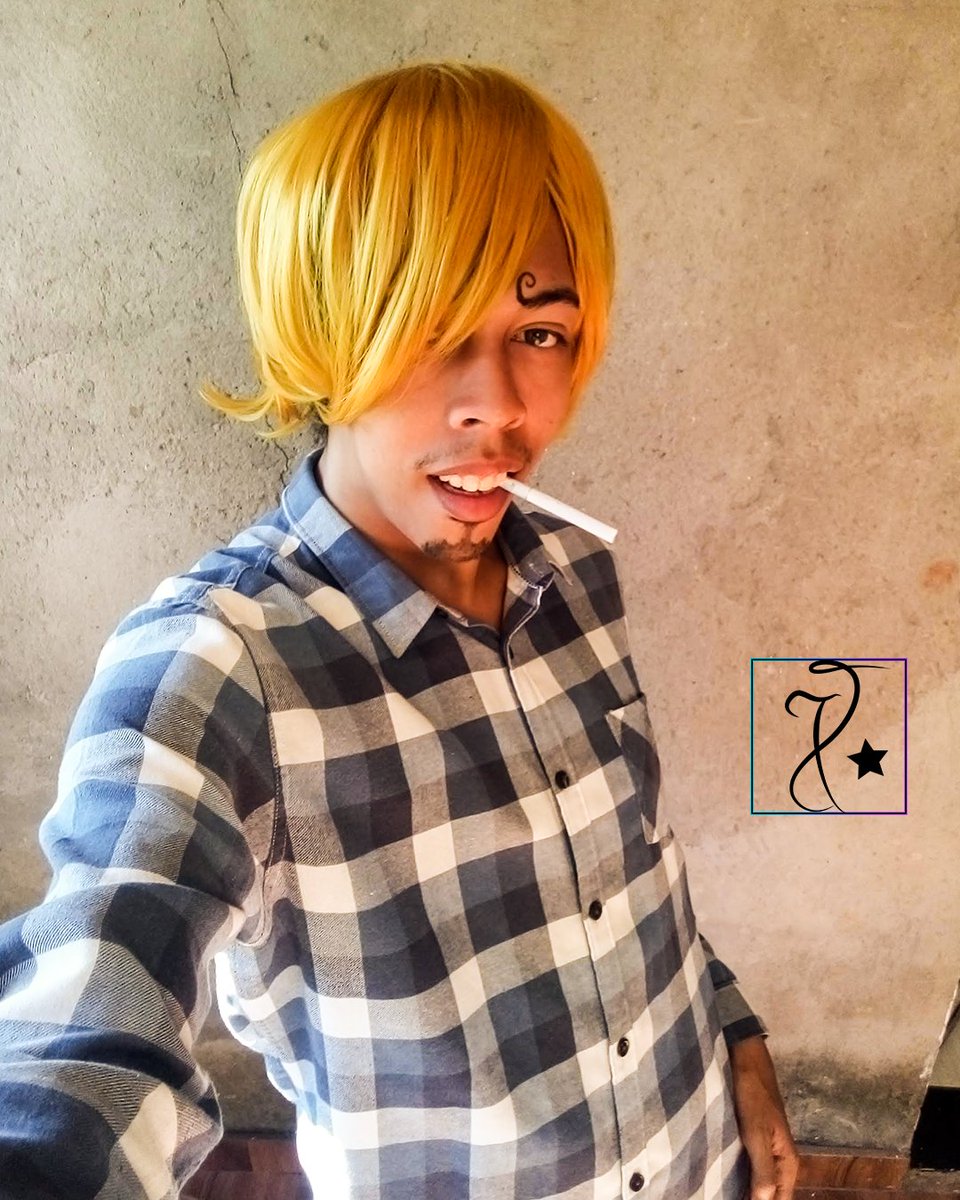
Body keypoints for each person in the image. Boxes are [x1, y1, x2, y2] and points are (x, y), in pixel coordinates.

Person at [0, 62, 798, 1200]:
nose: (499, 404)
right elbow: (85, 1021)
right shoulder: (215, 667)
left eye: (540, 329)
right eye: (431, 328)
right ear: (323, 334)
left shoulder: (575, 572)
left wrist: (737, 1036)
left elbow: (628, 876)